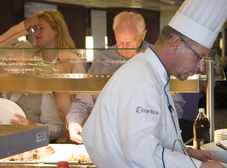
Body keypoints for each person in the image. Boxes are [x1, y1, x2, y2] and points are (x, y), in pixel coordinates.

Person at [81, 0, 227, 168]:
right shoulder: (140, 77)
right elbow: (141, 153)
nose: (200, 66)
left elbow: (151, 138)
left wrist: (187, 152)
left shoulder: (153, 73)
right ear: (175, 44)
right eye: (199, 57)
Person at [66, 11, 186, 143]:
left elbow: (176, 104)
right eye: (119, 41)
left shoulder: (159, 59)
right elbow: (84, 101)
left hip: (149, 138)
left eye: (129, 42)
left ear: (143, 35)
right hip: (108, 138)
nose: (123, 47)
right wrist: (74, 120)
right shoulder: (103, 60)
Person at [0, 9, 86, 142]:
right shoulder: (30, 57)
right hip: (37, 130)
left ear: (56, 30)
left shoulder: (70, 60)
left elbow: (82, 99)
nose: (36, 33)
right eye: (34, 28)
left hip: (66, 131)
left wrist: (77, 126)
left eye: (41, 28)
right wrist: (23, 27)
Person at [0, 39, 63, 140]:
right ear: (5, 65)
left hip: (29, 151)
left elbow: (58, 129)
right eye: (17, 64)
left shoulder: (41, 92)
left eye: (27, 64)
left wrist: (34, 127)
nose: (24, 69)